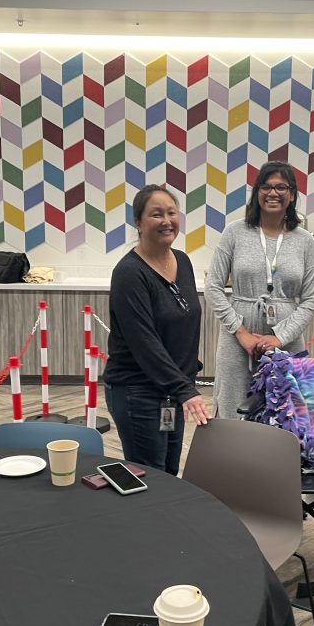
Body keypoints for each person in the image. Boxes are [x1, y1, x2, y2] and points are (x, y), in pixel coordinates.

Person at [105, 185, 210, 475]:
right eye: (156, 214)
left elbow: (184, 327)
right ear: (138, 223)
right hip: (137, 391)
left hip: (171, 390)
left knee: (169, 472)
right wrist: (184, 390)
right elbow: (144, 343)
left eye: (171, 212)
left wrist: (183, 382)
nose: (166, 220)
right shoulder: (129, 273)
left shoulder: (183, 261)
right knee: (150, 476)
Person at [205, 161, 314, 419]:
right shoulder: (235, 232)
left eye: (281, 187)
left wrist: (280, 337)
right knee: (233, 410)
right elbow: (213, 287)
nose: (273, 193)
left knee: (286, 413)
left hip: (286, 340)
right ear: (257, 192)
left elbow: (311, 299)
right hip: (237, 339)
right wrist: (241, 332)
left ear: (292, 195)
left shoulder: (305, 240)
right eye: (266, 186)